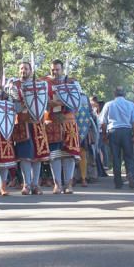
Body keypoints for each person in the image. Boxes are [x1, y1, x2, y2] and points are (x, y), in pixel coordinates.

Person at [9, 61, 50, 195]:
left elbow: (44, 103)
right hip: (22, 123)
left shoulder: (38, 84)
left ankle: (35, 184)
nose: (23, 71)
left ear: (30, 70)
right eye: (21, 69)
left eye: (26, 68)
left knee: (38, 155)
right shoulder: (14, 86)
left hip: (37, 123)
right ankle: (26, 184)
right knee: (25, 156)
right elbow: (15, 105)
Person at [43, 59, 81, 194]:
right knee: (55, 155)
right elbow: (42, 102)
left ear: (62, 69)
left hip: (68, 122)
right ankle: (57, 184)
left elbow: (76, 102)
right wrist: (53, 103)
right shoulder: (44, 82)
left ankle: (69, 184)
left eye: (57, 69)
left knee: (69, 154)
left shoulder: (72, 82)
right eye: (53, 69)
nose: (55, 71)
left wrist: (58, 102)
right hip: (52, 122)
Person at [98, 86, 134, 189]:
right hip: (126, 131)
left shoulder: (109, 104)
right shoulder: (130, 104)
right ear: (124, 94)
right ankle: (130, 174)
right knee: (128, 156)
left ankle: (118, 182)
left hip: (113, 132)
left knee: (116, 157)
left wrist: (104, 135)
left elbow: (103, 122)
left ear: (114, 93)